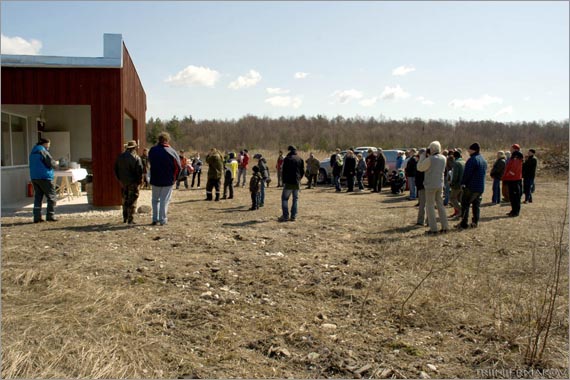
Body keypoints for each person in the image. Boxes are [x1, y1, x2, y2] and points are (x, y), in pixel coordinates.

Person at [148, 132, 181, 225]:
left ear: (159, 139)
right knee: (164, 201)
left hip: (155, 179)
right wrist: (175, 178)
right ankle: (162, 219)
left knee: (155, 200)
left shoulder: (152, 150)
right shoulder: (171, 151)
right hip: (168, 180)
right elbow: (178, 167)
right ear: (167, 140)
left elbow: (149, 162)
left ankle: (155, 219)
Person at [417, 141, 449, 235]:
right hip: (440, 184)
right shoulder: (444, 158)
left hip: (430, 185)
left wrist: (422, 156)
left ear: (432, 149)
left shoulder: (430, 159)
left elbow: (420, 167)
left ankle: (433, 228)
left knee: (430, 206)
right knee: (440, 205)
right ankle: (445, 226)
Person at [456, 143, 487, 229]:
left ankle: (464, 223)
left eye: (469, 149)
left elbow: (467, 174)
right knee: (476, 205)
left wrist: (463, 183)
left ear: (473, 150)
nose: (468, 151)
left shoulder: (472, 160)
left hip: (471, 186)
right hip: (480, 186)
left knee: (465, 204)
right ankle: (475, 222)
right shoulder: (483, 160)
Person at [114, 140, 144, 224]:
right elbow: (139, 171)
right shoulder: (136, 158)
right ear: (134, 148)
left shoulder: (120, 157)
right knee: (133, 199)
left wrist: (119, 180)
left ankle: (125, 217)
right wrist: (139, 182)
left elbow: (115, 170)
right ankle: (131, 219)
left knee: (125, 199)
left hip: (123, 182)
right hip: (133, 182)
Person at [29, 137, 58, 223]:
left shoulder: (33, 152)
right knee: (51, 197)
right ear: (45, 144)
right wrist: (56, 163)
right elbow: (51, 163)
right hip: (45, 177)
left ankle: (37, 217)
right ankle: (50, 215)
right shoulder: (43, 151)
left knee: (38, 197)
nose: (49, 146)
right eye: (48, 144)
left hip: (34, 177)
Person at [279, 145, 305, 222]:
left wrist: (283, 181)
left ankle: (286, 216)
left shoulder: (287, 159)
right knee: (295, 199)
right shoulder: (300, 159)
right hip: (297, 182)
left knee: (284, 199)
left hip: (289, 182)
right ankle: (293, 216)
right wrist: (299, 179)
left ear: (289, 151)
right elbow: (302, 171)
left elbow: (283, 171)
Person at [502, 144, 524, 217]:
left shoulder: (516, 158)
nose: (510, 149)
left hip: (514, 180)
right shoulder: (514, 157)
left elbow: (513, 170)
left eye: (511, 148)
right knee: (512, 197)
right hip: (512, 179)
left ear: (515, 149)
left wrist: (507, 175)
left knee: (515, 197)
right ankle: (513, 210)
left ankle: (515, 211)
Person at [449, 150, 465, 218]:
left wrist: (452, 183)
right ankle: (462, 212)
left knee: (452, 198)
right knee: (460, 199)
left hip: (457, 184)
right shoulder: (464, 162)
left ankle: (461, 211)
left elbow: (455, 175)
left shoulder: (456, 163)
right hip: (463, 184)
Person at [415, 149, 427, 226]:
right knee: (427, 204)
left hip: (423, 186)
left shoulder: (422, 163)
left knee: (422, 205)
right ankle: (427, 221)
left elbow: (420, 175)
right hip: (424, 185)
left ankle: (421, 221)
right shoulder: (427, 162)